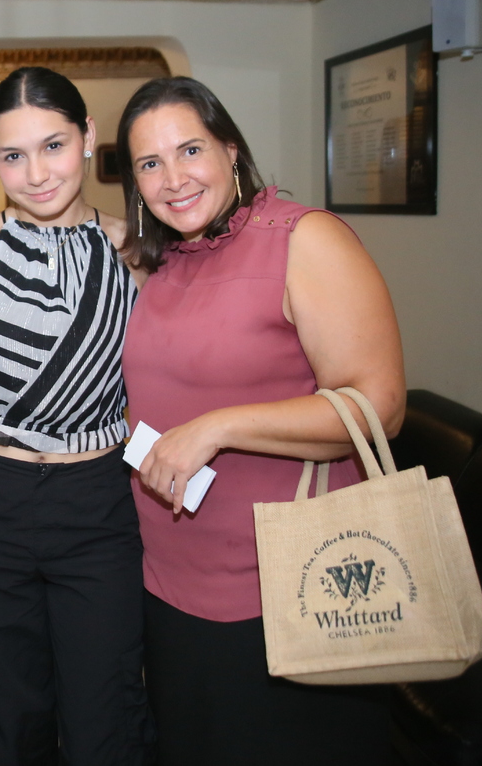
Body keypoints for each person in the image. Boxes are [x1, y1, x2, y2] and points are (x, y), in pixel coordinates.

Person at [117, 76, 405, 764]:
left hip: (285, 587)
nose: (173, 178)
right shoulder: (167, 260)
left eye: (190, 150)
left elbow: (379, 405)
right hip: (168, 581)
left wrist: (217, 427)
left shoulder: (304, 239)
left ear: (230, 149)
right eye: (150, 163)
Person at [0, 67, 151, 765]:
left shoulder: (137, 251)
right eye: (13, 155)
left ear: (87, 136)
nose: (35, 173)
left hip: (98, 502)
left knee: (104, 718)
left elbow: (151, 392)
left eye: (53, 146)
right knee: (5, 722)